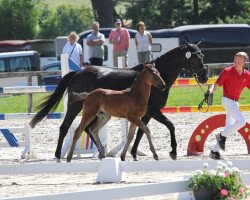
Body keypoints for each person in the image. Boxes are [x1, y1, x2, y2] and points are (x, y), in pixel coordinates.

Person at [208, 52, 250, 160]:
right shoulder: (227, 71)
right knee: (242, 122)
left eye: (238, 61)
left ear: (244, 63)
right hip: (227, 101)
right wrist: (210, 92)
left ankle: (214, 151)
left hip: (235, 103)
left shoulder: (247, 75)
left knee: (228, 128)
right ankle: (220, 136)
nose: (235, 62)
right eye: (235, 60)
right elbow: (216, 84)